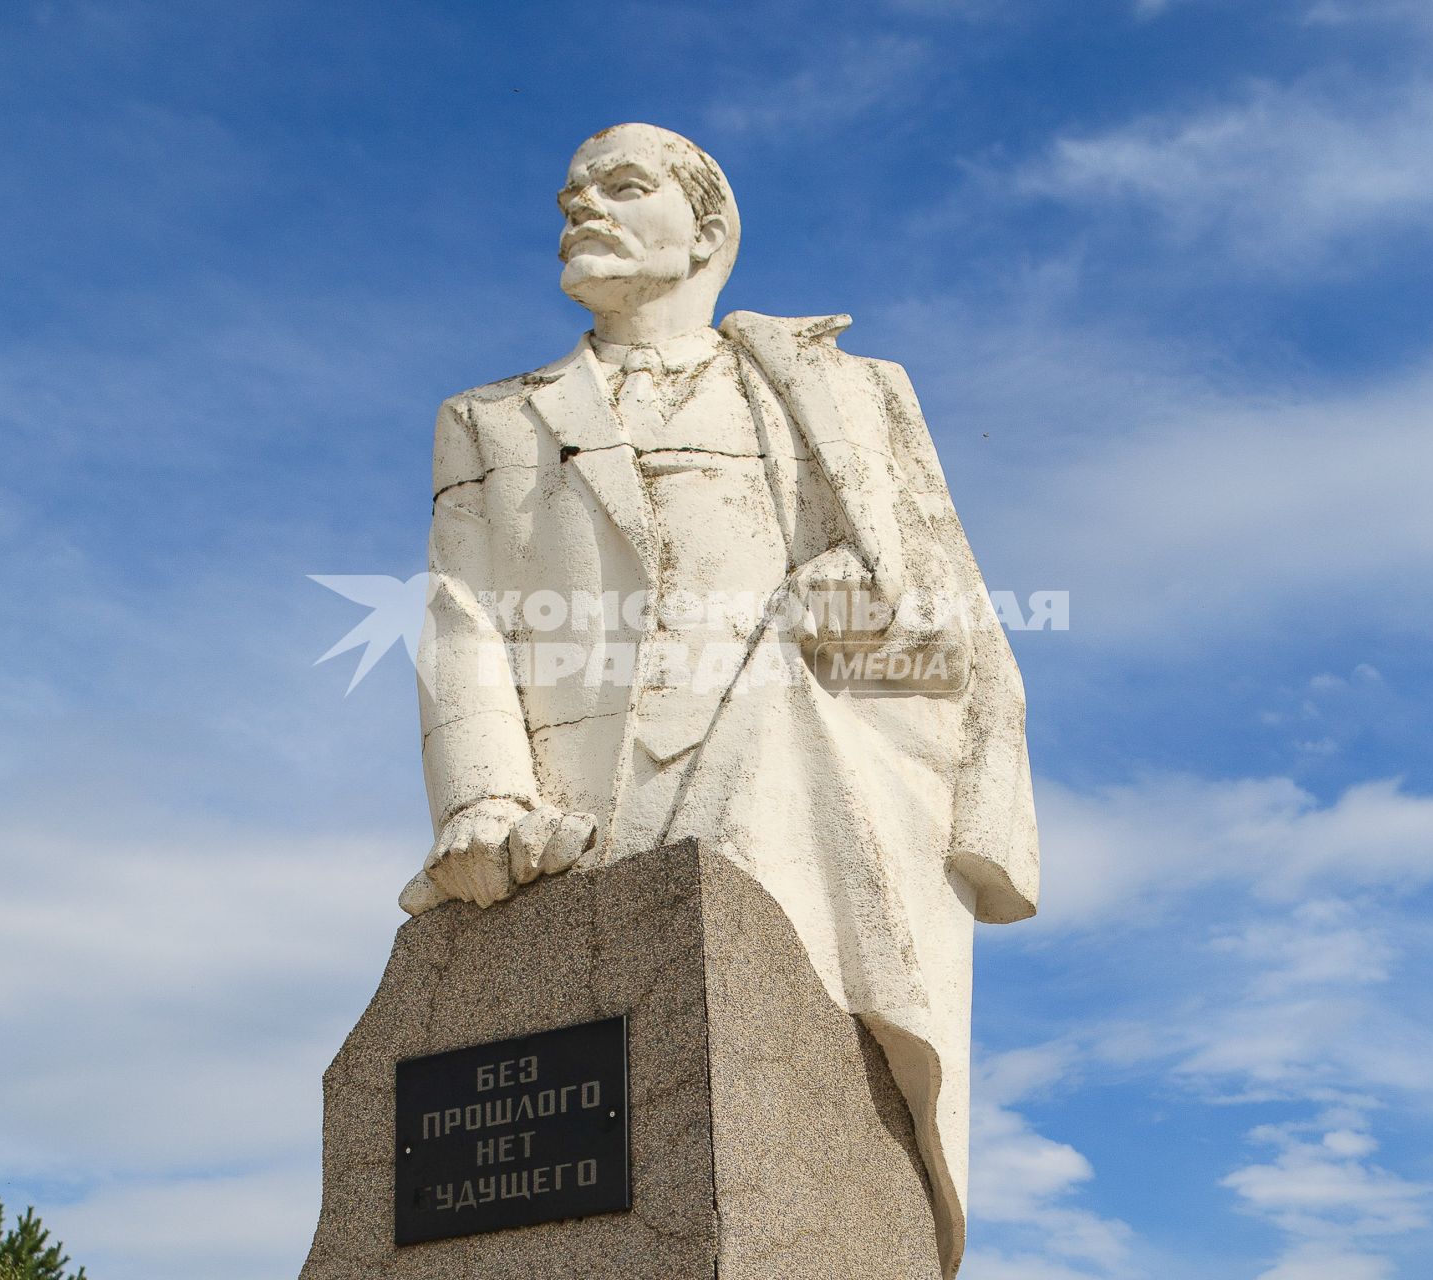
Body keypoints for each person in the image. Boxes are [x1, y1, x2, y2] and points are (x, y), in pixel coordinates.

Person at [403, 122, 1039, 1276]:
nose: (578, 207)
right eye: (568, 192)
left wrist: (870, 604)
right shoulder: (489, 419)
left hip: (804, 779)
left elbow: (952, 625)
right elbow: (463, 618)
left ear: (707, 228)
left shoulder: (845, 394)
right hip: (583, 828)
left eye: (621, 186)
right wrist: (487, 798)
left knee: (749, 996)